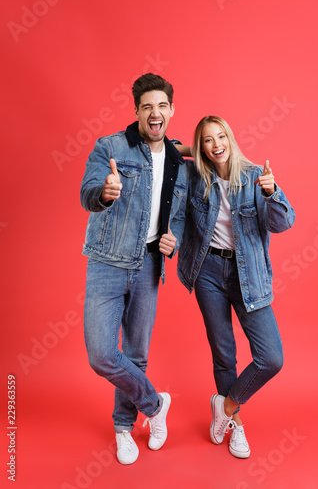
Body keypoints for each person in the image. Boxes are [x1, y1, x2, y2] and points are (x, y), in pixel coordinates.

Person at [80, 73, 188, 465]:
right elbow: (88, 192)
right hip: (107, 260)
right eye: (147, 107)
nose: (154, 113)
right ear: (137, 112)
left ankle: (123, 428)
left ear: (171, 111)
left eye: (162, 105)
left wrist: (172, 237)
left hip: (148, 266)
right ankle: (156, 404)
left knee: (137, 354)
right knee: (102, 354)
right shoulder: (110, 146)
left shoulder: (180, 161)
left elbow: (179, 217)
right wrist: (104, 193)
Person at [177, 116, 295, 458]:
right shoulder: (195, 175)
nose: (216, 145)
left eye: (221, 137)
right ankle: (236, 428)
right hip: (208, 272)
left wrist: (272, 192)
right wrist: (192, 150)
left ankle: (225, 407)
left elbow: (284, 222)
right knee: (223, 353)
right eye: (208, 141)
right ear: (201, 146)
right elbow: (166, 149)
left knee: (270, 357)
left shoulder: (256, 175)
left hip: (248, 275)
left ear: (231, 138)